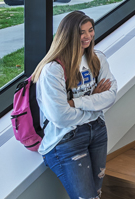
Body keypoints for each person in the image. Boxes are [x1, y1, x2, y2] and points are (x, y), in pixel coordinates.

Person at [33, 10, 117, 199]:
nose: (88, 36)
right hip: (66, 139)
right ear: (69, 35)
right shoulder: (53, 70)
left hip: (97, 132)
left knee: (96, 194)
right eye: (82, 32)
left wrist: (76, 102)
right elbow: (61, 117)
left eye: (90, 30)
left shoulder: (97, 59)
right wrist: (94, 105)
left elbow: (110, 95)